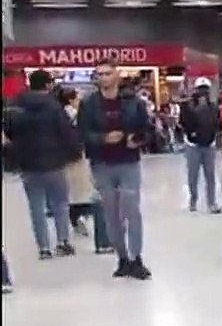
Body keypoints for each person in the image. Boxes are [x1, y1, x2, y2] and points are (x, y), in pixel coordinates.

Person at [78, 60, 152, 280]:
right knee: (111, 214)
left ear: (117, 75)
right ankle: (122, 258)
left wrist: (137, 140)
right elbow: (81, 133)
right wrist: (103, 139)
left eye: (108, 73)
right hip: (101, 163)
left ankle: (136, 258)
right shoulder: (89, 104)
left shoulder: (134, 102)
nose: (103, 78)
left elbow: (147, 129)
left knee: (131, 209)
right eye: (99, 74)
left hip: (128, 162)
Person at [3, 69, 82, 259]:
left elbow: (8, 133)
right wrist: (75, 153)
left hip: (28, 164)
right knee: (60, 204)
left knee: (36, 207)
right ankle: (63, 242)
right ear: (48, 84)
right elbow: (66, 132)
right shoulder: (54, 106)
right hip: (54, 162)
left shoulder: (16, 106)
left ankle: (44, 248)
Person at [58, 87, 111, 255]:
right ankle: (83, 219)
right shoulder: (75, 114)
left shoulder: (60, 114)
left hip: (65, 157)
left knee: (73, 192)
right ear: (71, 99)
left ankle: (76, 219)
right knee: (86, 191)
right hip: (79, 156)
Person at [179, 79, 222, 213]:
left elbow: (218, 123)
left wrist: (215, 135)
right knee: (193, 175)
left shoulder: (214, 107)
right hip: (193, 145)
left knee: (210, 176)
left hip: (209, 144)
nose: (203, 92)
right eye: (201, 89)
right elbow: (183, 123)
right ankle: (193, 200)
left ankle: (212, 202)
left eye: (205, 89)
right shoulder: (188, 106)